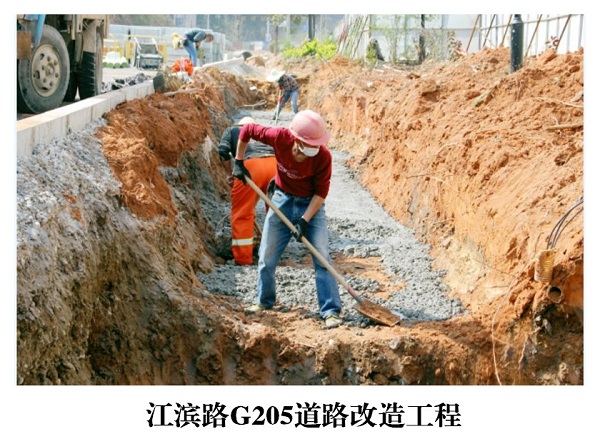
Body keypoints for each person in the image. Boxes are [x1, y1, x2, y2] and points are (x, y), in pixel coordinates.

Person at [232, 110, 343, 328]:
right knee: (266, 255)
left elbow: (321, 193)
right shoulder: (280, 137)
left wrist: (304, 220)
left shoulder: (323, 157)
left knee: (322, 257)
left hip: (310, 204)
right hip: (282, 199)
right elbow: (247, 130)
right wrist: (239, 161)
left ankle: (331, 310)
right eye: (310, 145)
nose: (314, 148)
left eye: (317, 144)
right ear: (296, 140)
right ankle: (264, 301)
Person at [219, 117, 277, 265]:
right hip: (274, 166)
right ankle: (273, 254)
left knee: (242, 213)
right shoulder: (262, 130)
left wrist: (229, 174)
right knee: (274, 211)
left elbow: (223, 151)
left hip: (250, 167)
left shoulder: (232, 130)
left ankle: (243, 258)